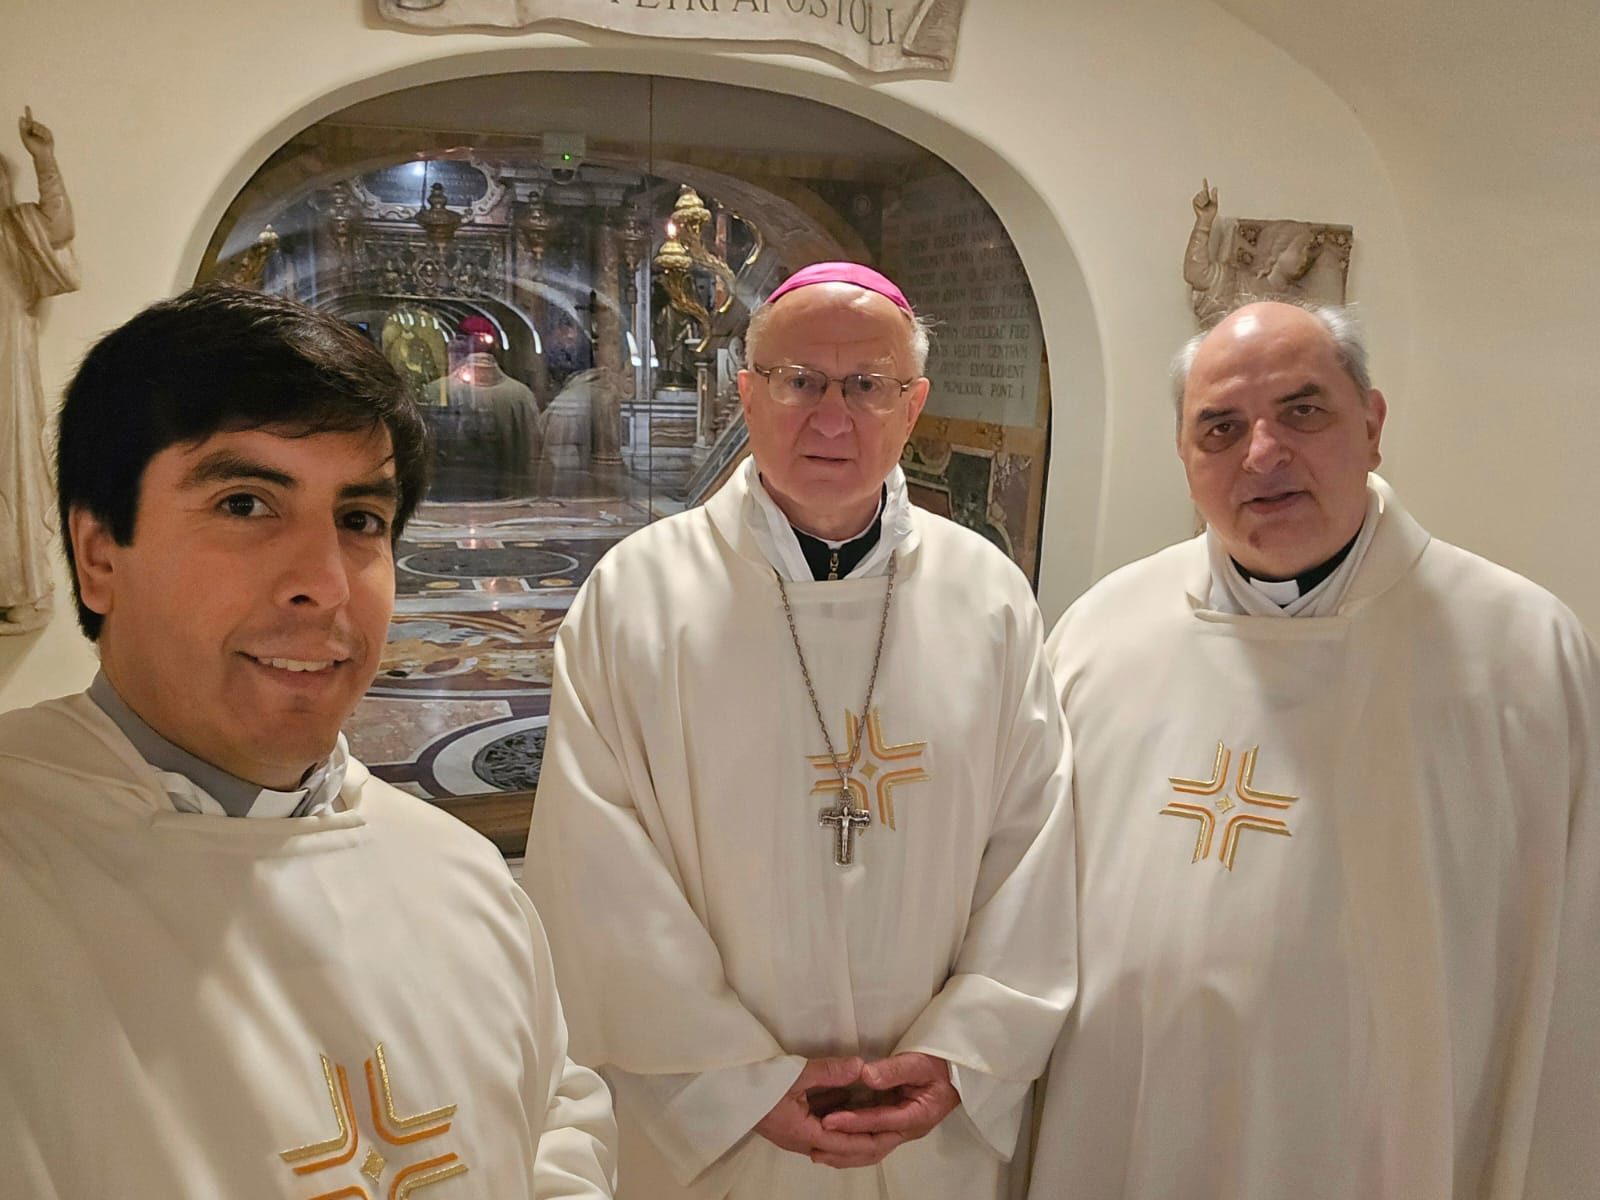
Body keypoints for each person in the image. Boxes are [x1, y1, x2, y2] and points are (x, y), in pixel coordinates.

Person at [0, 286, 617, 1198]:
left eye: (360, 521)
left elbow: (557, 1133)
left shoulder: (457, 872)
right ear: (100, 555)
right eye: (246, 504)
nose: (324, 585)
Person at [524, 262, 1076, 1200]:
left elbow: (1035, 844)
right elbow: (596, 869)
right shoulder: (637, 598)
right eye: (798, 381)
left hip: (926, 1119)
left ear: (914, 407)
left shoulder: (989, 599)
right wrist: (734, 1082)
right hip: (709, 1124)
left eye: (867, 386)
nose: (832, 416)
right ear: (747, 392)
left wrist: (964, 1052)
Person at [1031, 300, 1599, 1198]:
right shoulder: (1102, 635)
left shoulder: (1519, 655)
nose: (1262, 456)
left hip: (1375, 1143)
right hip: (1131, 1123)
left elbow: (1564, 969)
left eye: (1302, 412)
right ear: (1185, 459)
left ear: (1371, 426)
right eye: (1219, 429)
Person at [0, 106, 78, 633]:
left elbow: (59, 226)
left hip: (6, 364)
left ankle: (12, 590)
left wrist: (44, 160)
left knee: (9, 470)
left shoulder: (13, 229)